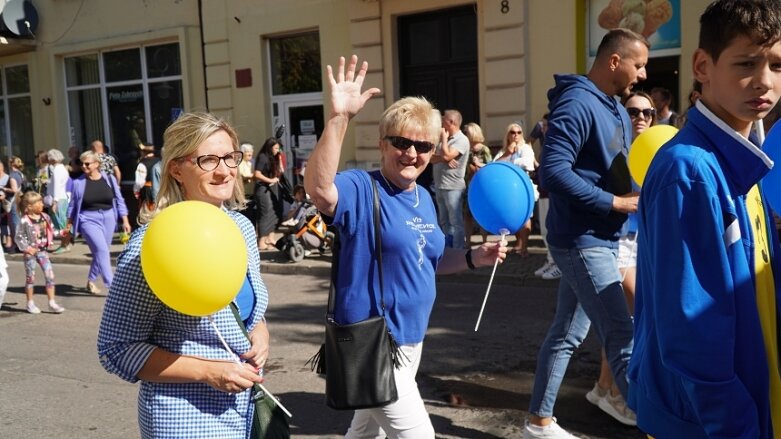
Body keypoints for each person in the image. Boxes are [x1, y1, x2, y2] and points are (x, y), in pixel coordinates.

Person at [305, 55, 507, 438]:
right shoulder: (362, 188)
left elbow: (428, 261)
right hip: (375, 342)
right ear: (383, 144)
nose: (411, 153)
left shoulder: (425, 198)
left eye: (423, 145)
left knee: (366, 432)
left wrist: (472, 258)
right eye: (401, 142)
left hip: (411, 340)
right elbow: (319, 189)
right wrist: (339, 118)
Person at [628, 1, 781, 437]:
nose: (765, 81)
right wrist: (737, 426)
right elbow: (693, 332)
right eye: (746, 62)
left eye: (777, 63)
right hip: (708, 423)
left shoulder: (746, 157)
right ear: (702, 66)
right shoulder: (689, 170)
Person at [97, 112, 270, 439]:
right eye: (208, 160)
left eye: (230, 157)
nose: (224, 171)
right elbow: (116, 348)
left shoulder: (242, 228)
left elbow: (246, 307)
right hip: (183, 418)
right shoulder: (152, 245)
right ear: (176, 169)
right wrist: (208, 372)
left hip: (241, 412)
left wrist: (260, 333)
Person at [524, 28, 647, 439]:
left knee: (566, 334)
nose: (643, 74)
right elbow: (553, 173)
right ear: (615, 61)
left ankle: (538, 423)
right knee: (622, 336)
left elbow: (608, 169)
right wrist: (614, 203)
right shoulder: (578, 102)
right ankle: (657, 426)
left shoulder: (612, 105)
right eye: (639, 64)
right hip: (581, 240)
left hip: (600, 238)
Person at [585, 91, 656, 427]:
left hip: (644, 244)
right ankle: (617, 395)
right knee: (633, 317)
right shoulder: (612, 151)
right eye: (633, 111)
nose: (641, 118)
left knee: (621, 322)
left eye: (648, 112)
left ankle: (603, 387)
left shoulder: (658, 150)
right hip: (615, 243)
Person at [64, 150, 131, 294]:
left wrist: (125, 220)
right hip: (87, 219)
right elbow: (72, 208)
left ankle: (91, 280)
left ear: (96, 164)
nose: (84, 166)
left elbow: (119, 200)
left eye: (87, 163)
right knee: (102, 250)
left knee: (101, 252)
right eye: (81, 164)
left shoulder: (110, 179)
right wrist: (68, 229)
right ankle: (112, 287)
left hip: (108, 218)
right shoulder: (78, 183)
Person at [14, 191, 65, 314]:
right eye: (39, 202)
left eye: (41, 201)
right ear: (30, 206)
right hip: (30, 254)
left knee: (50, 276)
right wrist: (27, 248)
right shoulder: (24, 221)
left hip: (43, 252)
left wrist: (62, 233)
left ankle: (52, 302)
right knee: (30, 278)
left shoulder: (45, 217)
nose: (42, 204)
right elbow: (18, 237)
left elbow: (52, 231)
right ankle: (30, 303)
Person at [494, 122, 536, 256]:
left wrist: (509, 163)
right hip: (508, 190)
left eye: (519, 132)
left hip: (524, 188)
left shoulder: (526, 148)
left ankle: (524, 247)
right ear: (508, 135)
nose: (516, 135)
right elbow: (494, 165)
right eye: (513, 132)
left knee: (526, 217)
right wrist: (507, 153)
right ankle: (518, 244)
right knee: (515, 217)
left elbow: (528, 163)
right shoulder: (504, 150)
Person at [431, 109, 470, 249]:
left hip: (454, 187)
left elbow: (447, 156)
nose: (441, 122)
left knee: (456, 222)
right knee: (443, 221)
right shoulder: (444, 138)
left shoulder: (461, 140)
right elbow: (430, 158)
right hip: (440, 185)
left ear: (451, 122)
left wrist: (443, 144)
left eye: (444, 119)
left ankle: (458, 251)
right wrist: (444, 157)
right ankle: (446, 249)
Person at [463, 122, 492, 247]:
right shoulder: (467, 150)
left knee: (480, 214)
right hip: (468, 185)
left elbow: (491, 167)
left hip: (480, 187)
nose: (465, 135)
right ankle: (468, 241)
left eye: (467, 133)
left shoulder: (484, 149)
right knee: (467, 214)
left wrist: (478, 164)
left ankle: (485, 241)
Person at [253, 137, 283, 250]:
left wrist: (279, 158)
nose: (277, 150)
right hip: (261, 189)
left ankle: (270, 238)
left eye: (278, 148)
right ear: (270, 147)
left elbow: (280, 171)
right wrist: (271, 180)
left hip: (268, 188)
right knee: (265, 213)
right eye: (275, 148)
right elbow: (257, 174)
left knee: (276, 211)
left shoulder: (272, 157)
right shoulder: (262, 157)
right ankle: (261, 241)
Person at [46, 149, 72, 254]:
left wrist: (55, 202)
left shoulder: (57, 170)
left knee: (61, 223)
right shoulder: (62, 168)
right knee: (63, 223)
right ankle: (65, 244)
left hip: (58, 199)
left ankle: (64, 245)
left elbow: (57, 186)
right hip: (62, 198)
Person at [133, 143, 160, 213]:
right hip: (161, 191)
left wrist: (136, 192)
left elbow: (139, 182)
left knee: (148, 214)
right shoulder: (160, 161)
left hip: (148, 193)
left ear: (144, 152)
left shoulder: (142, 164)